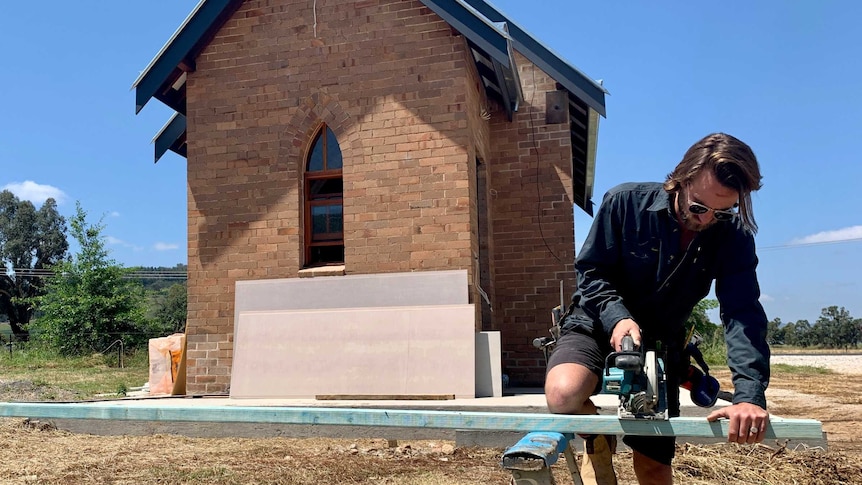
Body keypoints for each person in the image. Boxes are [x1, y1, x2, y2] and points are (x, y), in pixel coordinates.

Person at [544, 133, 770, 485]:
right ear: (679, 179)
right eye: (698, 207)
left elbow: (742, 313)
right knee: (563, 394)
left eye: (722, 212)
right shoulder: (623, 203)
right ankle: (597, 438)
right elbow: (591, 271)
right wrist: (618, 318)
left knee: (652, 466)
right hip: (596, 321)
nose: (708, 219)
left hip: (659, 343)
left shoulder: (735, 236)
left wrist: (749, 397)